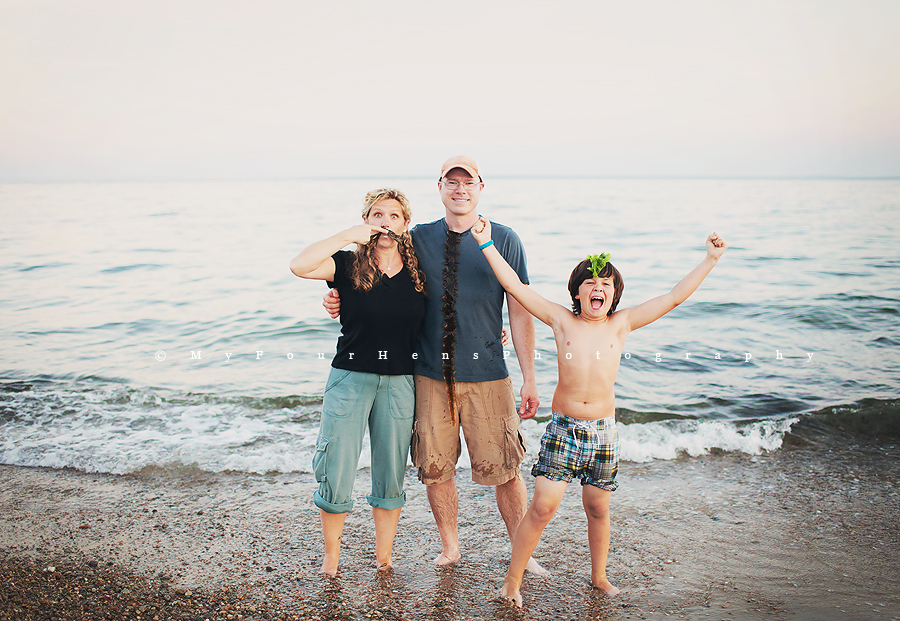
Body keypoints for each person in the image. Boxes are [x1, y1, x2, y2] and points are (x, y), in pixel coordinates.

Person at [470, 217, 727, 606]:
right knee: (541, 507)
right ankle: (512, 580)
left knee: (597, 508)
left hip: (604, 433)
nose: (598, 287)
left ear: (615, 296)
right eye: (590, 282)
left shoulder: (622, 324)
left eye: (606, 284)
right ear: (576, 291)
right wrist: (487, 243)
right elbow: (515, 286)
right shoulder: (561, 320)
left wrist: (709, 260)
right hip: (564, 429)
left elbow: (674, 296)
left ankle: (599, 576)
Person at [324, 156, 546, 574]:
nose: (460, 189)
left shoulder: (506, 239)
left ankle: (523, 552)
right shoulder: (418, 238)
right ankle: (451, 547)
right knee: (435, 465)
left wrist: (530, 376)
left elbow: (520, 310)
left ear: (481, 187)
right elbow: (377, 274)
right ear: (440, 187)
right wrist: (334, 295)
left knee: (504, 466)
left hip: (489, 374)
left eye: (468, 182)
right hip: (428, 374)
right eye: (452, 182)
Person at [289, 188, 426, 576]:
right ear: (366, 221)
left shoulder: (420, 269)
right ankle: (332, 554)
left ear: (405, 224)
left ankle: (385, 557)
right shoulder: (347, 264)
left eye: (394, 216)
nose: (386, 222)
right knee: (337, 464)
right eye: (377, 215)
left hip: (401, 381)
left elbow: (445, 317)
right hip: (350, 377)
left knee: (390, 470)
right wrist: (347, 235)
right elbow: (299, 265)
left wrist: (491, 334)